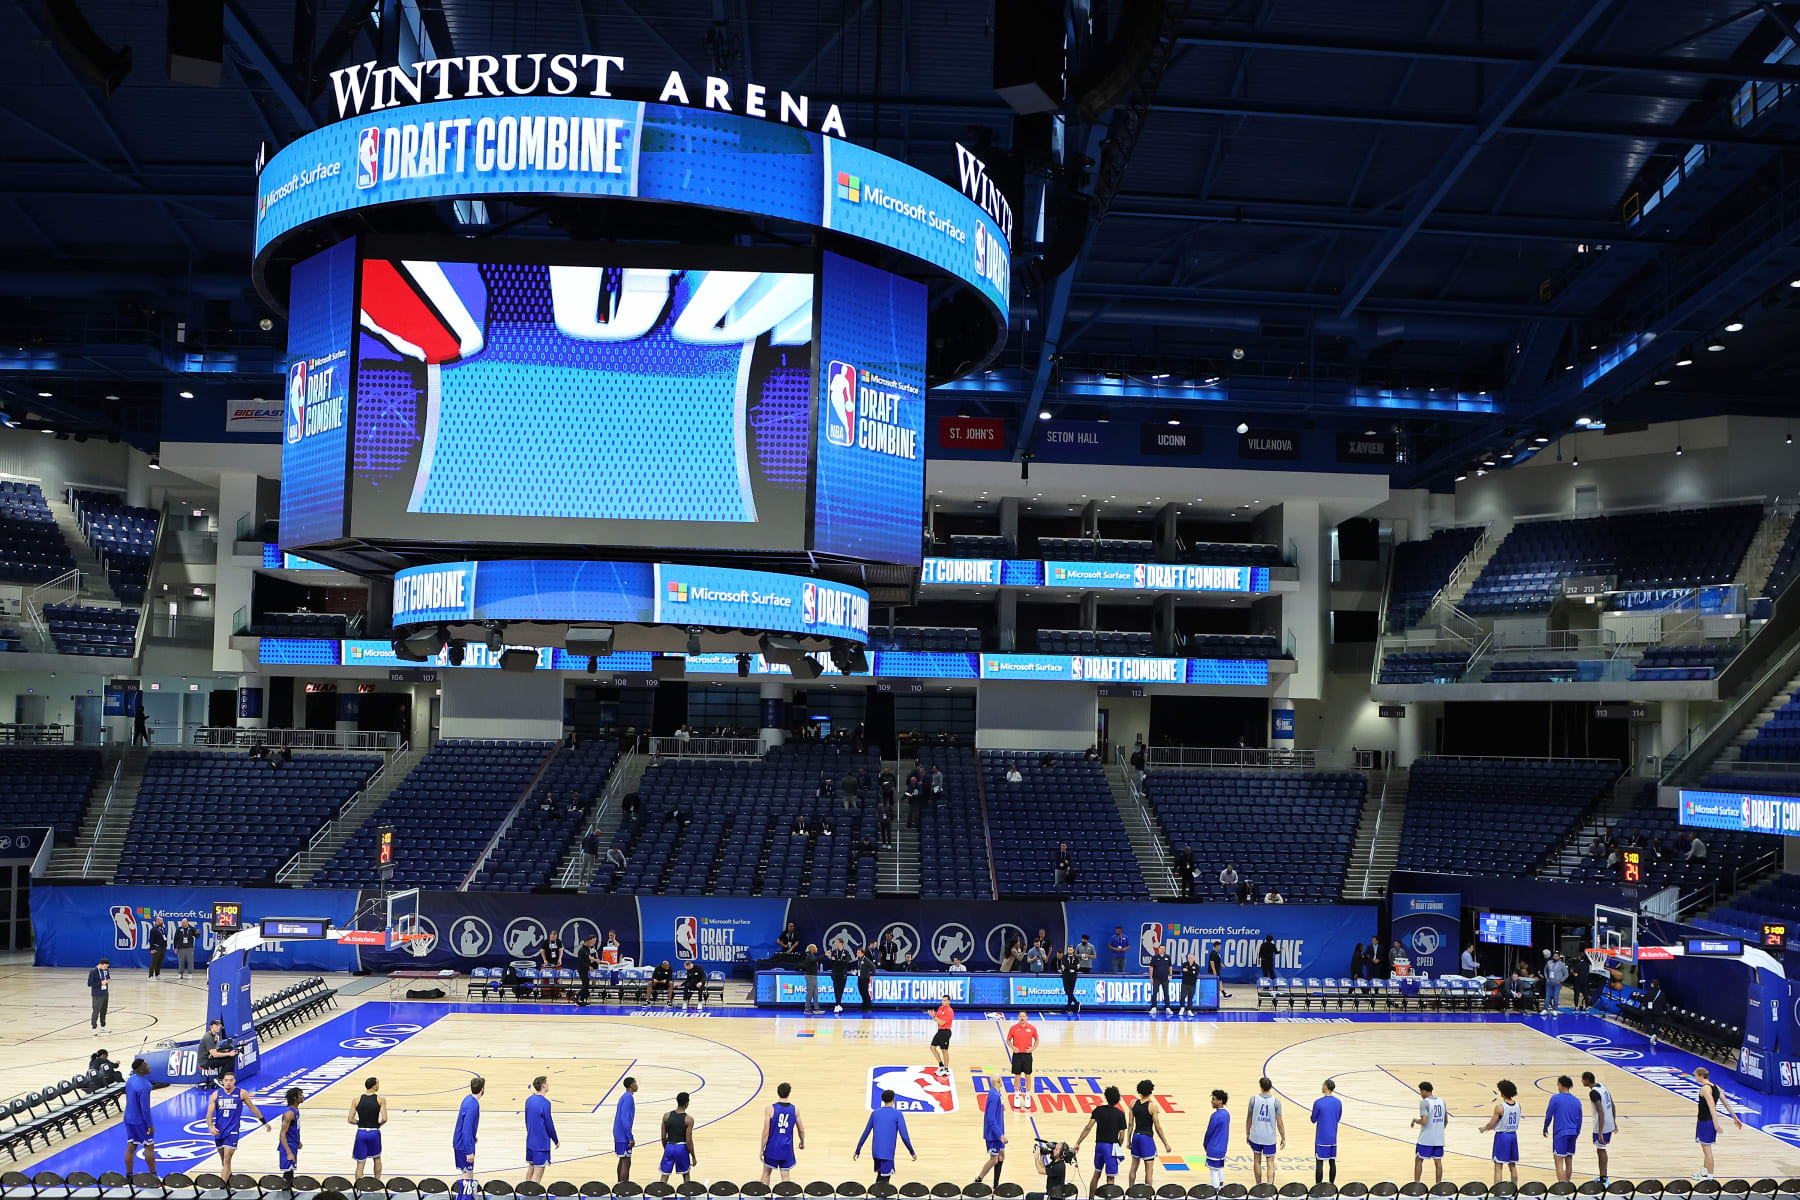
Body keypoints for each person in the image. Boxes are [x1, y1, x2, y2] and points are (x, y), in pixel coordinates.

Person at [1069, 1084, 1127, 1197]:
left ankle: (1090, 1198)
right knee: (1110, 1177)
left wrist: (1078, 1143)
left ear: (1106, 1097)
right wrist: (1118, 1146)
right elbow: (1122, 1136)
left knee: (1097, 1173)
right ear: (1117, 1099)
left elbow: (1088, 1127)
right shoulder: (1120, 1114)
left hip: (1099, 1145)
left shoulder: (1098, 1110)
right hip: (1111, 1147)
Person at [205, 1069, 264, 1179]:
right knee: (223, 1159)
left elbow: (252, 1107)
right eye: (226, 1080)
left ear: (234, 1081)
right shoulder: (216, 1094)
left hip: (232, 1131)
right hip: (219, 1131)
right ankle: (229, 1175)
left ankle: (223, 1185)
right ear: (222, 1081)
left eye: (230, 1080)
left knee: (227, 1159)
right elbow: (209, 1114)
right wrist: (210, 1127)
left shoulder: (242, 1093)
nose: (228, 1082)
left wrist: (264, 1122)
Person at [856, 1089, 916, 1184]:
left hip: (876, 1153)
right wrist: (912, 1151)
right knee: (884, 1183)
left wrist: (858, 1149)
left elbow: (866, 1132)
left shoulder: (875, 1113)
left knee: (880, 1179)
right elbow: (904, 1136)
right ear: (893, 1100)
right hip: (887, 1154)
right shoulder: (898, 1114)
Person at [1693, 1065, 1740, 1180]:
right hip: (1706, 1121)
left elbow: (1712, 1107)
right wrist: (1735, 1117)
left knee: (1707, 1150)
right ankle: (1704, 1172)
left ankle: (1710, 1176)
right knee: (1705, 1147)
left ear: (1701, 1076)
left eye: (1695, 1076)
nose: (1695, 1077)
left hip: (1706, 1122)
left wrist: (1716, 1125)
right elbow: (1727, 1104)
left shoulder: (1705, 1089)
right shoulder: (1716, 1087)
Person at [1128, 1079, 1172, 1187]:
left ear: (1139, 1091)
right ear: (1151, 1091)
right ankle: (1148, 1195)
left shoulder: (1133, 1103)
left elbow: (1130, 1124)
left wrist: (1128, 1141)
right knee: (1149, 1169)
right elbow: (1158, 1128)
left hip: (1136, 1136)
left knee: (1133, 1166)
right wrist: (1165, 1143)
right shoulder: (1153, 1107)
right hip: (1146, 1138)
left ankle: (1130, 1191)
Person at [759, 1081, 804, 1184]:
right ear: (789, 1093)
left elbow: (765, 1132)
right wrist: (802, 1142)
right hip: (786, 1148)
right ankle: (786, 1197)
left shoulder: (770, 1109)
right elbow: (801, 1130)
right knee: (785, 1176)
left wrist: (762, 1149)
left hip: (772, 1147)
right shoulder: (795, 1110)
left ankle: (763, 1196)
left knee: (766, 1173)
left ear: (778, 1092)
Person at [1479, 1079, 1522, 1186]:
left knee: (1498, 1166)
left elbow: (1492, 1124)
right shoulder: (1518, 1105)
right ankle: (1515, 1189)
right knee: (1512, 1165)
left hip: (1503, 1137)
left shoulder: (1500, 1107)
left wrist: (1484, 1128)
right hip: (1513, 1136)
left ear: (1502, 1092)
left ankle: (1497, 1191)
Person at [1542, 1074, 1582, 1183]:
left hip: (1561, 1133)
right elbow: (1580, 1120)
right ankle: (1567, 1184)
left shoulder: (1555, 1098)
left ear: (1561, 1085)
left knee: (1558, 1160)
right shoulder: (1577, 1101)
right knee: (1569, 1160)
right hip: (1573, 1132)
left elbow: (1549, 1115)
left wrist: (1545, 1127)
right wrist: (1576, 1133)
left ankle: (1562, 1187)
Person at [1580, 1070, 1616, 1185]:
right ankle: (1602, 1176)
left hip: (1602, 1126)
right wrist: (1614, 1122)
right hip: (1609, 1123)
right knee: (1601, 1149)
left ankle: (1604, 1178)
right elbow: (1612, 1104)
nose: (1581, 1081)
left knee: (1601, 1150)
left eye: (1582, 1079)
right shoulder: (1603, 1087)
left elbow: (1601, 1112)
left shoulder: (1593, 1093)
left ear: (1586, 1080)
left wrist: (1600, 1132)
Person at [123, 1057, 157, 1178]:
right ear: (140, 1069)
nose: (148, 1066)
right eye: (146, 1065)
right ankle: (153, 1176)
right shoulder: (146, 1085)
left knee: (131, 1145)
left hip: (128, 1118)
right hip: (140, 1121)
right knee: (149, 1146)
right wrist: (150, 1125)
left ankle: (129, 1176)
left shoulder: (130, 1080)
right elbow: (145, 1108)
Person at [1247, 1076, 1285, 1185]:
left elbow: (1249, 1118)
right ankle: (1269, 1187)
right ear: (1270, 1087)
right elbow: (1280, 1122)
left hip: (1256, 1135)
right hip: (1269, 1137)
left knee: (1257, 1161)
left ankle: (1258, 1186)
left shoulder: (1253, 1099)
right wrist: (1283, 1137)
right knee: (1270, 1163)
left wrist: (1247, 1133)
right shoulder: (1276, 1102)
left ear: (1260, 1086)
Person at [349, 1076, 388, 1180]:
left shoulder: (356, 1100)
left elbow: (350, 1119)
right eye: (378, 1083)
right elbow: (384, 1118)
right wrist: (378, 1124)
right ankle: (377, 1183)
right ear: (374, 1086)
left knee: (360, 1163)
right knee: (377, 1158)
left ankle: (358, 1187)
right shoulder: (380, 1099)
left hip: (361, 1132)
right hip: (374, 1132)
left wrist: (359, 1122)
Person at [523, 1075, 558, 1183]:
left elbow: (526, 1119)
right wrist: (555, 1139)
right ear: (543, 1086)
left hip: (530, 1141)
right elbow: (549, 1124)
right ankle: (532, 1196)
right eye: (547, 1083)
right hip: (541, 1144)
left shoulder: (529, 1100)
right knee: (538, 1174)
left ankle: (525, 1193)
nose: (548, 1085)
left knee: (531, 1168)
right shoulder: (545, 1103)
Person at [453, 1076, 483, 1200]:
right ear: (482, 1089)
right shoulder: (473, 1106)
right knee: (468, 1176)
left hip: (461, 1142)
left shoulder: (468, 1099)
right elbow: (466, 1128)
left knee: (465, 1174)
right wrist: (469, 1150)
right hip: (463, 1145)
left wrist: (472, 1138)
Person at [1412, 1080, 1448, 1185]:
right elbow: (1446, 1120)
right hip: (1439, 1138)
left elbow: (1424, 1121)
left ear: (1423, 1091)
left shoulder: (1425, 1102)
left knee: (1419, 1160)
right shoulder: (1442, 1101)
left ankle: (1416, 1184)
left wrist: (1415, 1120)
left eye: (1420, 1092)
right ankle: (1438, 1185)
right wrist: (1439, 1130)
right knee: (1438, 1162)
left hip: (1426, 1138)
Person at [660, 1090, 697, 1184]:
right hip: (681, 1148)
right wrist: (693, 1156)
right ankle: (688, 1196)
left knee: (664, 1175)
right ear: (687, 1104)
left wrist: (666, 1148)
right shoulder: (689, 1119)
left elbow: (663, 1137)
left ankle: (660, 1194)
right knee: (686, 1175)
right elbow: (689, 1141)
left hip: (669, 1146)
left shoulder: (666, 1116)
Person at [975, 1082, 1007, 1188]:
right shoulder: (994, 1096)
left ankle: (995, 1185)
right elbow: (991, 1119)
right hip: (993, 1134)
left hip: (999, 1131)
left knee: (1001, 1156)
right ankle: (979, 1179)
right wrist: (1000, 1135)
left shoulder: (998, 1093)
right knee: (994, 1159)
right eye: (1000, 1079)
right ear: (998, 1082)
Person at [1311, 1078, 1342, 1185]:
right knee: (1332, 1162)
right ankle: (1331, 1185)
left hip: (1321, 1138)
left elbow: (1313, 1119)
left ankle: (1318, 1187)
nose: (1322, 1086)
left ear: (1326, 1087)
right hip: (1333, 1137)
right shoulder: (1338, 1102)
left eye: (1323, 1084)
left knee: (1319, 1163)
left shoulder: (1318, 1102)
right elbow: (1338, 1118)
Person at [1006, 1011, 1039, 1112]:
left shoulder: (1032, 1028)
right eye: (1020, 1016)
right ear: (1018, 1017)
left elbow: (1037, 1040)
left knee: (1028, 1076)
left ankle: (1027, 1095)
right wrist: (1013, 1047)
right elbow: (1008, 1040)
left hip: (1027, 1055)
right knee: (1017, 1077)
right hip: (1017, 1055)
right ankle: (1017, 1095)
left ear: (1027, 1018)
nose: (1022, 1018)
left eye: (1024, 1016)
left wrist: (1032, 1048)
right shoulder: (1013, 1028)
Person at [275, 1086, 304, 1189]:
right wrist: (289, 1152)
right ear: (295, 1098)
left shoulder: (295, 1111)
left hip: (293, 1144)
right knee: (288, 1176)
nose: (303, 1096)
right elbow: (282, 1134)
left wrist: (298, 1141)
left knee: (290, 1173)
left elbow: (293, 1129)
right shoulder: (289, 1113)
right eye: (300, 1095)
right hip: (288, 1146)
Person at [1203, 1090, 1230, 1189]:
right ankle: (1221, 1189)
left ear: (1220, 1101)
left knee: (1213, 1171)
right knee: (1219, 1169)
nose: (1212, 1101)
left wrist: (1205, 1144)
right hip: (1223, 1147)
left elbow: (1209, 1132)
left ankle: (1215, 1192)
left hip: (1213, 1147)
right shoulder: (1227, 1114)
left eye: (1214, 1099)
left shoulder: (1215, 1116)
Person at [197, 1016, 237, 1085]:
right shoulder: (208, 1037)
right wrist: (228, 1054)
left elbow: (214, 1050)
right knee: (229, 1059)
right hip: (205, 1061)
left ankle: (227, 1078)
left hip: (210, 1057)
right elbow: (214, 1054)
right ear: (211, 1027)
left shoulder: (215, 1036)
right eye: (216, 1025)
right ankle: (220, 1079)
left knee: (230, 1056)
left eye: (219, 1025)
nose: (219, 1027)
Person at [613, 1076, 637, 1182]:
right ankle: (623, 1188)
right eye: (635, 1083)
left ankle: (619, 1184)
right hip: (623, 1134)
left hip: (618, 1133)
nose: (637, 1085)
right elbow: (624, 1118)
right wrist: (630, 1136)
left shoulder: (624, 1096)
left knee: (622, 1160)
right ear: (632, 1085)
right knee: (626, 1162)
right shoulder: (629, 1098)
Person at [930, 996, 955, 1073]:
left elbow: (942, 1022)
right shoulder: (940, 1008)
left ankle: (946, 1068)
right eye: (942, 1000)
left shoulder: (950, 1011)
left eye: (945, 1000)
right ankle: (941, 1065)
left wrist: (934, 1016)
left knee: (944, 1050)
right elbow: (935, 1019)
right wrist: (934, 1016)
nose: (943, 1002)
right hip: (940, 1031)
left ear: (948, 1001)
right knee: (932, 1047)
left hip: (946, 1031)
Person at [87, 956, 110, 1034]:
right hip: (97, 994)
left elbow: (107, 978)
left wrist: (108, 980)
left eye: (106, 967)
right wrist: (100, 983)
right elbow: (89, 983)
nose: (105, 968)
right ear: (100, 964)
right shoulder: (93, 971)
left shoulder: (106, 970)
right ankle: (94, 1028)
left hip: (105, 993)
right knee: (96, 1011)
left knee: (104, 1011)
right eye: (104, 966)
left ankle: (103, 1026)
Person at [829, 938, 852, 1013]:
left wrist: (837, 961)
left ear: (841, 943)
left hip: (843, 973)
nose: (836, 944)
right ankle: (837, 1004)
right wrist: (840, 961)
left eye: (837, 942)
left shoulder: (846, 952)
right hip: (835, 973)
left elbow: (846, 962)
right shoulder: (834, 951)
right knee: (836, 988)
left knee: (841, 989)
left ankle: (839, 1004)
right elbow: (832, 962)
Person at [1149, 941, 1173, 1012]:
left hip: (1165, 978)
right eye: (1161, 948)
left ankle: (1168, 1007)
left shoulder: (1168, 957)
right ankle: (1153, 1007)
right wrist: (1151, 977)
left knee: (1166, 993)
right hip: (1156, 978)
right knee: (1155, 993)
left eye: (1163, 949)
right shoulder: (1155, 957)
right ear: (1158, 949)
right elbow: (1151, 967)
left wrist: (1171, 975)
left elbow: (1170, 966)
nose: (1162, 950)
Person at [575, 934, 597, 1007]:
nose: (590, 943)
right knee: (585, 985)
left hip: (586, 969)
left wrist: (590, 966)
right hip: (581, 969)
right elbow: (581, 962)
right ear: (586, 942)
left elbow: (587, 959)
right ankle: (577, 996)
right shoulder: (581, 950)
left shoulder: (587, 949)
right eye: (589, 942)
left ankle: (582, 999)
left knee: (586, 985)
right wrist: (588, 966)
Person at [799, 943, 821, 1016]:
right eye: (815, 947)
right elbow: (814, 960)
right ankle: (807, 1009)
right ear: (812, 949)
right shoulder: (809, 956)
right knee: (810, 993)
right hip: (810, 976)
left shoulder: (812, 955)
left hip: (814, 976)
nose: (817, 948)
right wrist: (825, 955)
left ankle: (817, 1009)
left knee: (815, 994)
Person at [1061, 950, 1081, 1014]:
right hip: (1066, 976)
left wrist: (1068, 967)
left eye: (1071, 949)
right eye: (1068, 949)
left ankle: (1069, 1007)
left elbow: (1077, 967)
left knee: (1071, 992)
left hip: (1073, 976)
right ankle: (1076, 1002)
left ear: (1073, 950)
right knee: (1067, 991)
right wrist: (1073, 967)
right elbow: (1064, 966)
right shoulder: (1064, 957)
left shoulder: (1076, 957)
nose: (1069, 950)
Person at [857, 947, 876, 1013]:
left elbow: (873, 967)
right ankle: (864, 1004)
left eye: (858, 952)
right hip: (860, 978)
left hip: (865, 978)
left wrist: (872, 975)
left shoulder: (866, 959)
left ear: (862, 953)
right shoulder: (859, 960)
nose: (857, 953)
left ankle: (868, 1006)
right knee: (861, 992)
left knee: (865, 992)